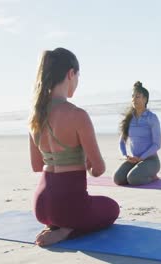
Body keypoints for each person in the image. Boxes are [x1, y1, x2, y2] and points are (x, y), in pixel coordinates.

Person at [29, 48, 119, 247]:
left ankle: (55, 225)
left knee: (66, 210)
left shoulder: (35, 117)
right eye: (78, 76)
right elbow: (99, 169)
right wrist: (84, 160)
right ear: (71, 74)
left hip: (41, 207)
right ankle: (68, 230)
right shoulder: (77, 115)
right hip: (69, 208)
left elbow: (37, 166)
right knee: (112, 208)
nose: (77, 82)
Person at [114, 81, 161, 185]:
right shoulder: (129, 119)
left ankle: (153, 177)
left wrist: (142, 157)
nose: (133, 99)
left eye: (137, 97)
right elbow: (122, 142)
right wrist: (126, 156)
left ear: (145, 99)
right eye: (132, 97)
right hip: (134, 160)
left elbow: (157, 144)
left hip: (151, 160)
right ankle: (138, 172)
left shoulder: (152, 118)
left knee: (133, 179)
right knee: (118, 179)